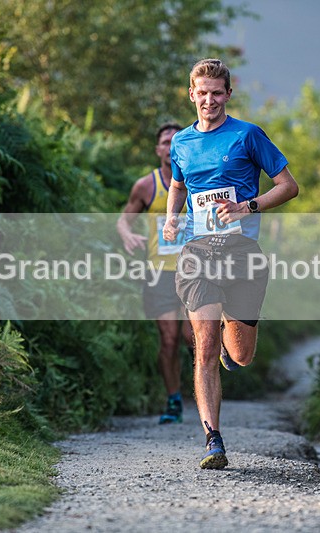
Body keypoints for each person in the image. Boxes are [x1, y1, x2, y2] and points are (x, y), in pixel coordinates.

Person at [163, 59, 299, 469]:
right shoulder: (181, 142)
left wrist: (247, 206)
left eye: (216, 92)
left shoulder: (248, 135)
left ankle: (230, 336)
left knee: (240, 356)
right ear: (192, 94)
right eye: (201, 93)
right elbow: (178, 184)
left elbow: (288, 187)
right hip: (197, 254)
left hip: (242, 256)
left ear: (228, 94)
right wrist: (172, 218)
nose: (209, 100)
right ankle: (213, 440)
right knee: (201, 346)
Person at [117, 122, 194, 425]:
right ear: (158, 149)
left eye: (176, 140)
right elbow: (123, 220)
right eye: (165, 141)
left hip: (195, 270)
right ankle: (174, 400)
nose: (170, 145)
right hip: (159, 272)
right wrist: (127, 235)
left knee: (193, 337)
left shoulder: (198, 177)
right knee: (169, 338)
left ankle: (203, 390)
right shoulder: (146, 186)